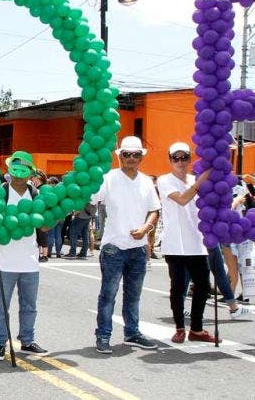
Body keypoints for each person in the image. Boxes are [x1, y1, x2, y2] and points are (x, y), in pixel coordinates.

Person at [93, 136, 161, 354]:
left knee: (133, 295)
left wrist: (145, 229)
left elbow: (154, 210)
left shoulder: (146, 181)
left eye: (135, 154)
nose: (131, 158)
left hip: (138, 247)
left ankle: (132, 333)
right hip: (114, 247)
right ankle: (103, 335)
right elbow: (92, 198)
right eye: (126, 154)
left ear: (141, 157)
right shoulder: (108, 178)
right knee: (108, 295)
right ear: (119, 156)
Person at [156, 142, 219, 344]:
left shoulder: (195, 179)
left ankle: (197, 329)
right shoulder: (164, 180)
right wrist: (200, 182)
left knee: (203, 285)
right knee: (178, 286)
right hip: (175, 242)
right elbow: (182, 199)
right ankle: (179, 327)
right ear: (169, 160)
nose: (180, 162)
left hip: (197, 241)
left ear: (190, 159)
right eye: (176, 158)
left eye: (184, 158)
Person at [0, 151, 48, 360]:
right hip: (4, 260)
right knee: (1, 306)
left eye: (25, 169)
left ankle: (27, 340)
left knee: (29, 305)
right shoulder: (0, 192)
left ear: (31, 173)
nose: (20, 173)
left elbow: (43, 225)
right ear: (9, 169)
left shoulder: (35, 194)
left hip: (30, 260)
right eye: (17, 168)